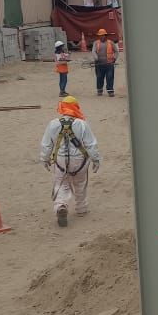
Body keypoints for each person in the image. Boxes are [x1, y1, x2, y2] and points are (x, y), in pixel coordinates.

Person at [39, 96, 100, 228]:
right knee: (80, 183)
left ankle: (61, 205)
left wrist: (44, 159)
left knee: (61, 184)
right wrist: (96, 159)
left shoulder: (53, 124)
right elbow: (91, 144)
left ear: (62, 107)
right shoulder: (82, 124)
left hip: (60, 161)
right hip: (80, 160)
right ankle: (81, 208)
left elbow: (46, 145)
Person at [92, 28, 118, 97]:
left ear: (105, 35)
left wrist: (114, 58)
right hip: (99, 64)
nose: (102, 36)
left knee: (110, 77)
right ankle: (99, 90)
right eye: (100, 35)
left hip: (109, 64)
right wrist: (96, 58)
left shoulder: (110, 42)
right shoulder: (96, 43)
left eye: (103, 35)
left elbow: (116, 51)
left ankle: (110, 91)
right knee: (99, 77)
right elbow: (93, 51)